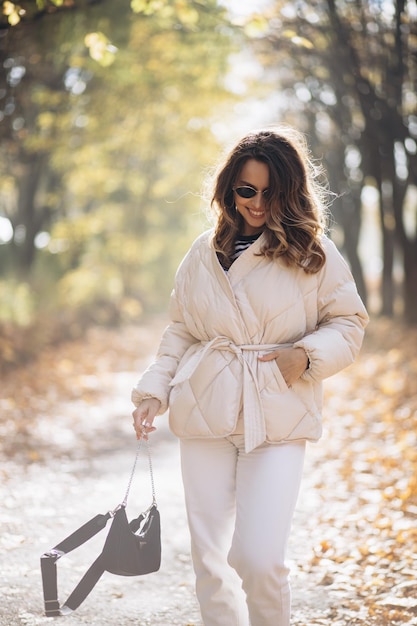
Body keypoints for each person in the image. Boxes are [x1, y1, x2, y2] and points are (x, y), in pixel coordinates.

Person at [131, 127, 368, 626]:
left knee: (260, 559)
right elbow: (181, 330)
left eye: (270, 191)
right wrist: (154, 391)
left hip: (276, 413)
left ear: (289, 191)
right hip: (206, 409)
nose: (257, 203)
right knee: (210, 559)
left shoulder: (313, 252)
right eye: (246, 190)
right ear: (228, 190)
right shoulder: (202, 252)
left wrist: (304, 356)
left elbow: (349, 322)